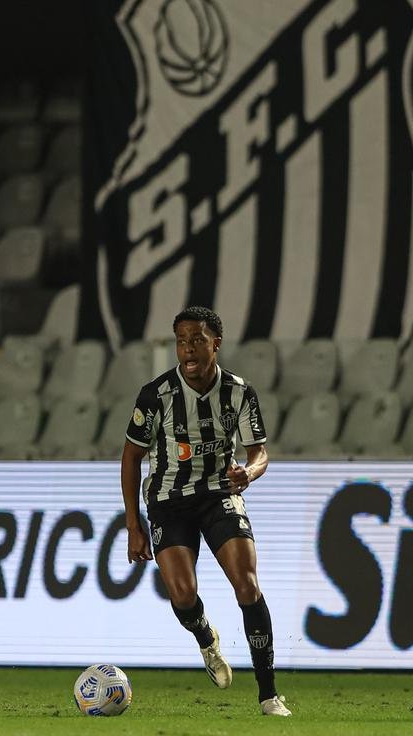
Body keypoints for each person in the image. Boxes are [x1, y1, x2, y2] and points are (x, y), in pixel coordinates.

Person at [120, 306, 290, 717]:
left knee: (247, 584)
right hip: (168, 500)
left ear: (216, 343)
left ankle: (269, 695)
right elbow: (130, 459)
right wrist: (133, 524)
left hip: (219, 494)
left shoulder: (238, 392)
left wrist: (248, 472)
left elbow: (259, 452)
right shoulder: (156, 394)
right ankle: (206, 639)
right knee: (182, 592)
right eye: (181, 341)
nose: (188, 349)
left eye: (197, 339)